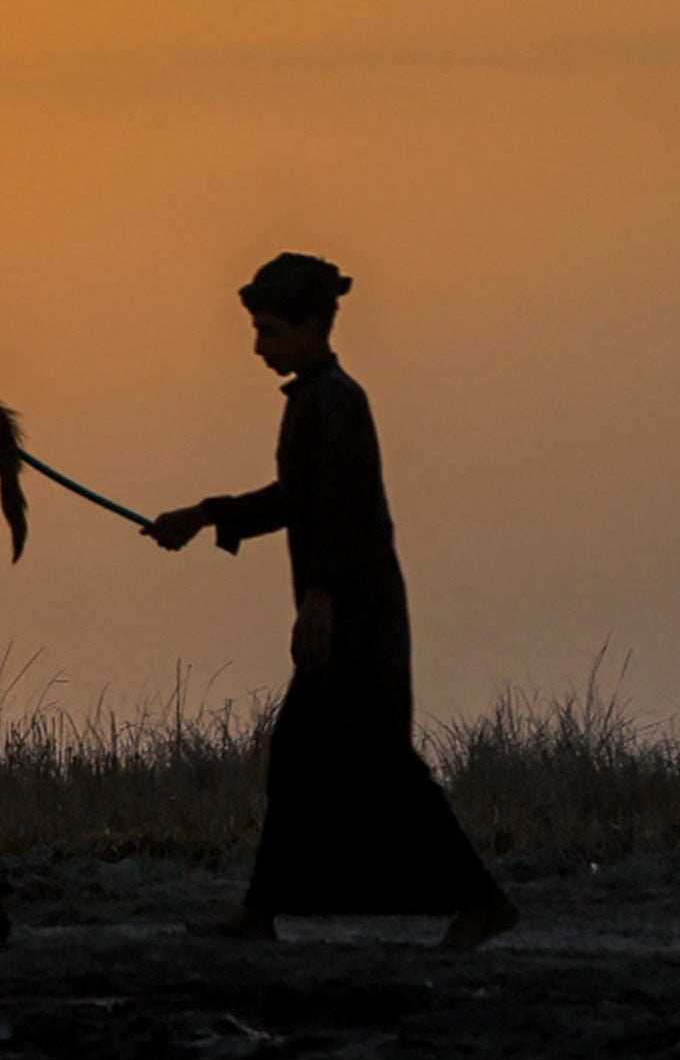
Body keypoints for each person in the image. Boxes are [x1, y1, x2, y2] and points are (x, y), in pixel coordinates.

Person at [143, 253, 516, 950]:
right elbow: (296, 499)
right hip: (349, 607)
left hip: (354, 613)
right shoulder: (318, 399)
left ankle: (479, 900)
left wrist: (317, 599)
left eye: (268, 330)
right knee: (310, 758)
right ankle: (263, 913)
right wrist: (201, 515)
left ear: (309, 325)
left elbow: (347, 516)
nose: (257, 346)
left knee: (369, 761)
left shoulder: (332, 402)